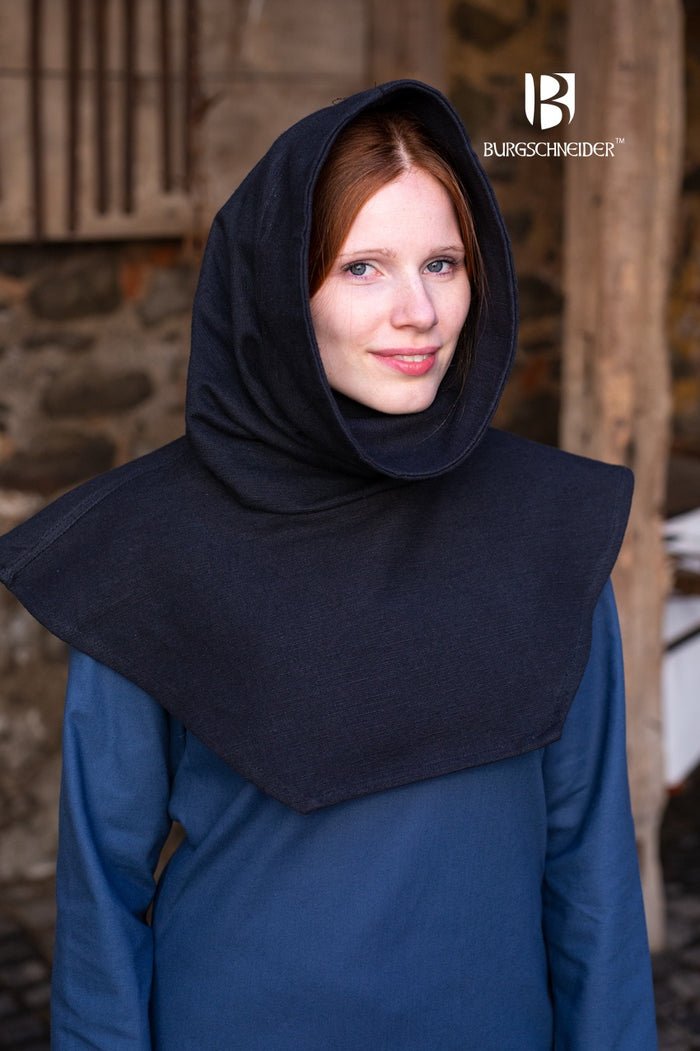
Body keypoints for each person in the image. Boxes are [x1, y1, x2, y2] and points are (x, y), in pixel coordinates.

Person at [0, 80, 657, 1049]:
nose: (418, 310)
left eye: (443, 263)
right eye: (362, 268)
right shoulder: (148, 545)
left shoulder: (547, 527)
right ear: (279, 290)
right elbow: (102, 894)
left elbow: (590, 873)